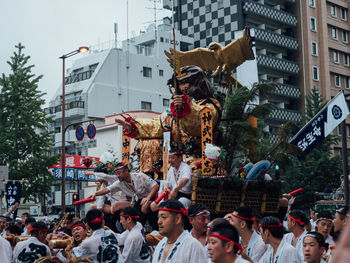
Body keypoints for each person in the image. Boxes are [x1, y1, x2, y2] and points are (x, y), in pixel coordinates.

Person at [115, 66, 222, 173]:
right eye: (180, 84)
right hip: (174, 161)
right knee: (149, 142)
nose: (183, 87)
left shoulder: (209, 105)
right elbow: (156, 125)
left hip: (199, 160)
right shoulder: (173, 113)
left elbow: (199, 124)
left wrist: (186, 107)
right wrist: (134, 126)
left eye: (186, 82)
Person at [90, 162, 159, 215]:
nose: (117, 175)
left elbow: (156, 186)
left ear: (126, 171)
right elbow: (107, 190)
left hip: (151, 197)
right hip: (137, 202)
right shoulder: (119, 183)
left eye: (119, 173)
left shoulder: (139, 176)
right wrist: (95, 194)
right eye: (116, 174)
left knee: (144, 207)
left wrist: (148, 198)